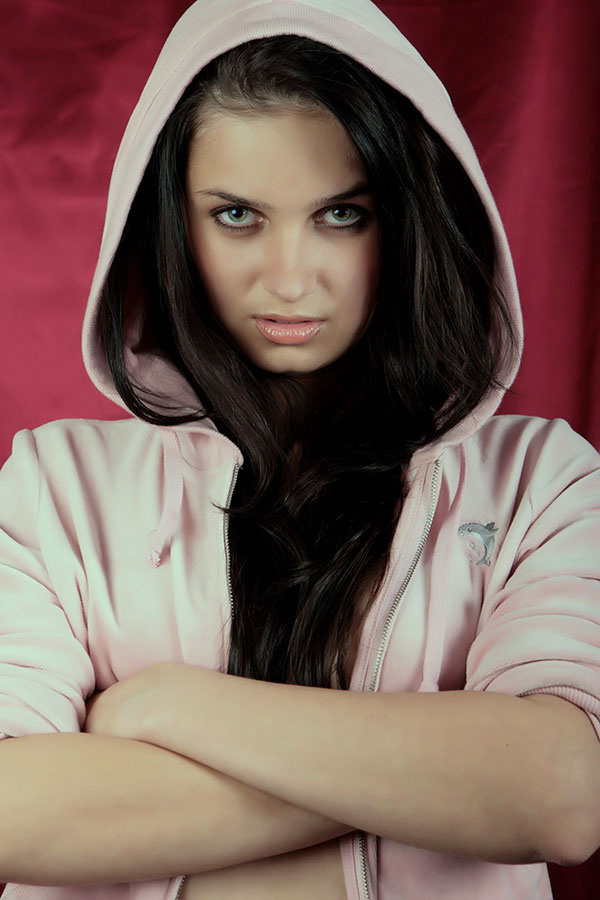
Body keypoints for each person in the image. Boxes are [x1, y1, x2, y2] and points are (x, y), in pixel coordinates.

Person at [1, 0, 599, 898]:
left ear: (407, 219)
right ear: (172, 225)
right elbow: (12, 813)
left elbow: (561, 792)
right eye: (237, 214)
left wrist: (171, 706)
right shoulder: (56, 485)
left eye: (342, 214)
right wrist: (445, 779)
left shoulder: (539, 482)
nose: (289, 278)